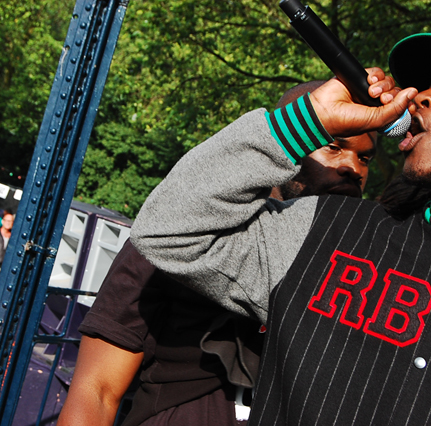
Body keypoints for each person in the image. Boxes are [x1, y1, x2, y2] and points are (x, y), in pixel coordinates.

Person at [131, 32, 431, 425]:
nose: (421, 97)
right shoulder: (324, 228)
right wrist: (307, 119)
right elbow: (166, 232)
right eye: (430, 83)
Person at [59, 82, 376, 426]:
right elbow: (96, 391)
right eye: (333, 145)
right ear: (290, 138)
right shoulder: (177, 235)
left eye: (365, 158)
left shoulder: (359, 269)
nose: (353, 168)